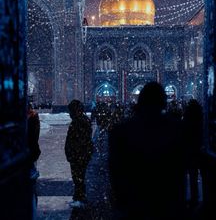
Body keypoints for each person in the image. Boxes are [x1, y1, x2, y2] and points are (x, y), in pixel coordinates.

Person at [108, 82, 186, 220]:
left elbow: (115, 171)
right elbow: (180, 171)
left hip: (133, 203)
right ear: (163, 102)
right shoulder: (176, 129)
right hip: (166, 203)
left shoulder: (122, 130)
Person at [65, 99, 94, 208]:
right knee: (78, 177)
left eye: (71, 111)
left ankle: (80, 198)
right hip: (78, 155)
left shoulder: (79, 122)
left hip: (79, 155)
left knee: (78, 177)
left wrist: (75, 153)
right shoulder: (81, 120)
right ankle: (78, 197)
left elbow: (80, 141)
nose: (70, 114)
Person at [182, 98, 203, 208]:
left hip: (188, 150)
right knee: (194, 175)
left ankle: (187, 198)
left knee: (187, 175)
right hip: (198, 149)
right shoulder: (200, 119)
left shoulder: (187, 119)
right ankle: (195, 198)